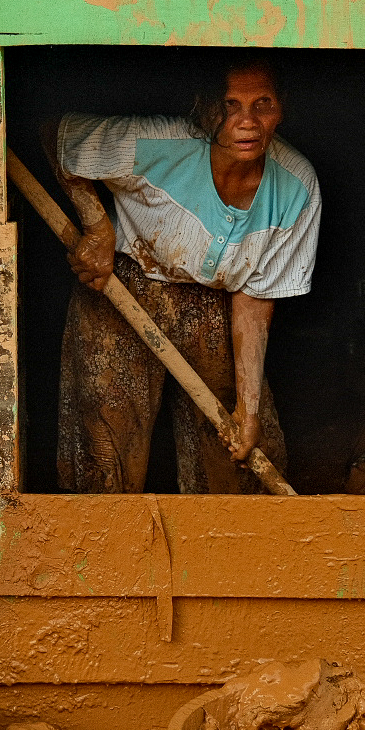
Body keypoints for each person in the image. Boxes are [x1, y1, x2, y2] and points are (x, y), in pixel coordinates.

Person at [45, 56, 321, 493]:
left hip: (216, 303)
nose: (246, 122)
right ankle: (108, 549)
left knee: (242, 448)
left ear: (281, 107)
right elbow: (60, 137)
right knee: (106, 439)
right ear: (205, 109)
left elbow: (254, 298)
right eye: (230, 105)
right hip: (123, 284)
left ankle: (228, 552)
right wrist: (97, 227)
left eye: (261, 103)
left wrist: (247, 411)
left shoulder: (296, 186)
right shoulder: (155, 142)